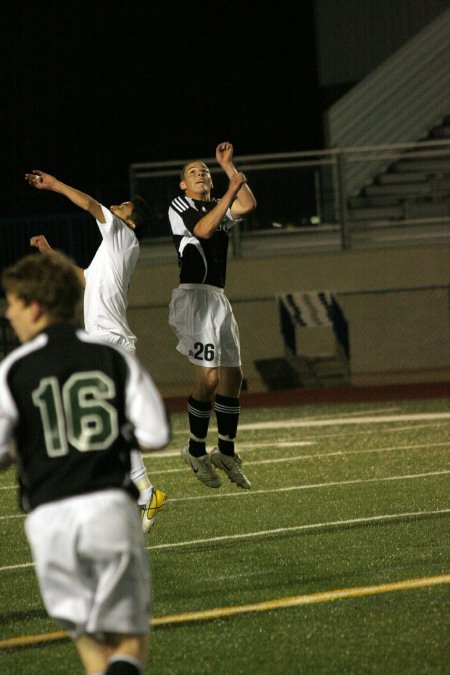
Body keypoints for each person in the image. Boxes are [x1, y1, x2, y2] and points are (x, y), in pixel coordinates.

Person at [0, 252, 170, 675]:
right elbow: (156, 434)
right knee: (128, 636)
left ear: (35, 306)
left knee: (89, 639)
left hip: (48, 516)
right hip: (109, 508)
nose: (7, 313)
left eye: (13, 303)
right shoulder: (111, 355)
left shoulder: (12, 369)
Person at [25, 169, 165, 532]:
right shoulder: (115, 246)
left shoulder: (122, 236)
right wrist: (49, 252)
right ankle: (140, 492)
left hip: (109, 340)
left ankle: (125, 492)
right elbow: (84, 279)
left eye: (122, 207)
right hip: (108, 340)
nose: (114, 207)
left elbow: (88, 204)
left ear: (130, 222)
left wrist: (54, 184)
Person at [168, 141, 256, 489]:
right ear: (183, 185)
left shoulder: (217, 210)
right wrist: (229, 192)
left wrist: (230, 168)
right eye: (194, 172)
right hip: (194, 300)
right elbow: (202, 230)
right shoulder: (181, 205)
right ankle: (194, 450)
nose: (201, 174)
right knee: (209, 380)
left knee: (232, 379)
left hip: (218, 298)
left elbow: (247, 205)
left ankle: (226, 452)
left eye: (205, 171)